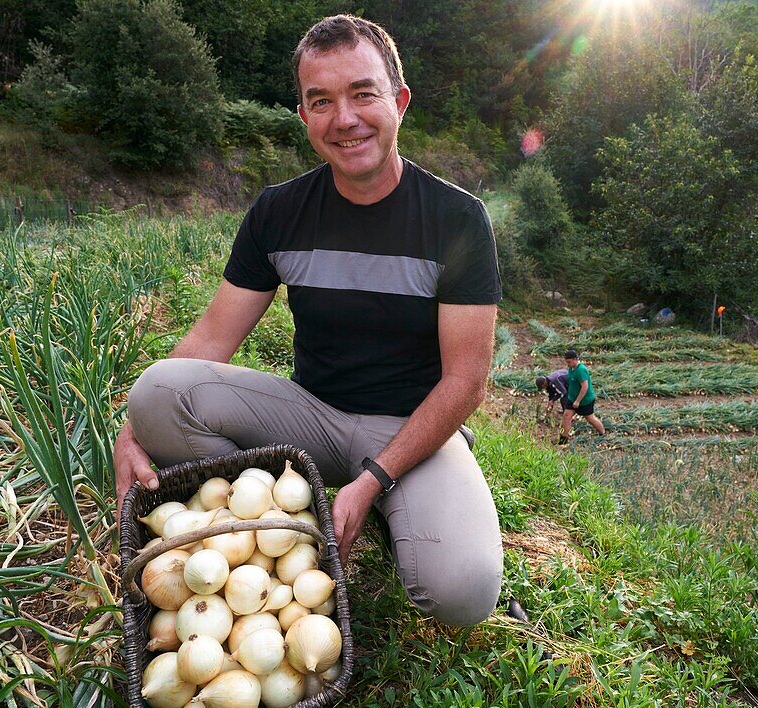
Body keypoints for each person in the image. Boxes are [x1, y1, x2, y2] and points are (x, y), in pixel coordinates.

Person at [112, 15, 503, 627]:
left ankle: (379, 495)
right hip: (311, 422)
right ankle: (300, 505)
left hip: (410, 428)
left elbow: (465, 383)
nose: (343, 118)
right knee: (159, 391)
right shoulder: (280, 211)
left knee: (463, 591)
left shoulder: (457, 219)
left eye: (363, 93)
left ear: (399, 101)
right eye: (321, 100)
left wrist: (375, 477)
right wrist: (131, 430)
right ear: (303, 117)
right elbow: (210, 340)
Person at [558, 350, 605, 445]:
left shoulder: (581, 370)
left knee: (590, 418)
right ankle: (563, 440)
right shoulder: (572, 368)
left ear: (575, 360)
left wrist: (578, 401)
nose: (567, 364)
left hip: (584, 400)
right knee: (566, 416)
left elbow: (585, 386)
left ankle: (603, 433)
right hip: (572, 398)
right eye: (566, 362)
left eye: (569, 362)